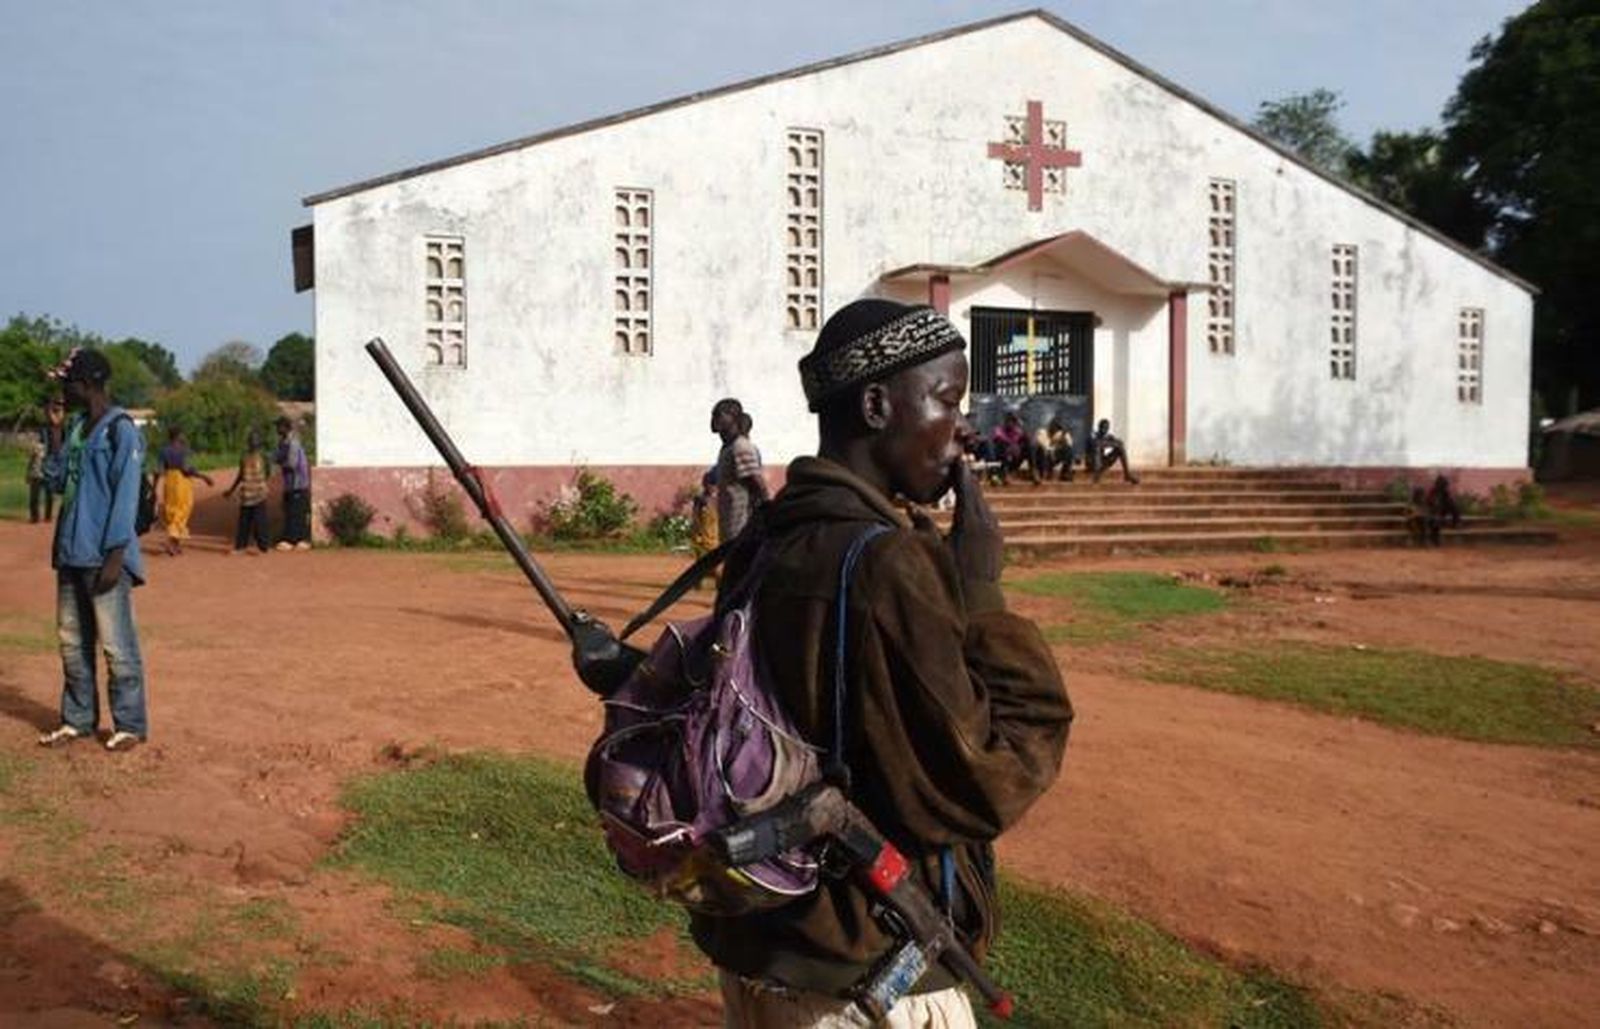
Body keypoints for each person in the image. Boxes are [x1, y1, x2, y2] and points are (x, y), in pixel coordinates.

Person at [700, 298, 1073, 1027]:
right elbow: (988, 778)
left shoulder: (766, 538)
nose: (961, 426)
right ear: (877, 404)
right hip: (868, 976)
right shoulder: (887, 563)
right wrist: (983, 593)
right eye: (945, 398)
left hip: (761, 952)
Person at [36, 348, 150, 753]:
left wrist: (116, 555)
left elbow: (126, 495)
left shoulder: (122, 430)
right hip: (70, 554)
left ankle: (130, 725)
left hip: (105, 557)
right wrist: (53, 433)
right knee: (71, 641)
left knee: (117, 645)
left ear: (87, 384)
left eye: (67, 383)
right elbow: (53, 482)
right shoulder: (77, 428)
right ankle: (77, 719)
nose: (63, 392)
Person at [710, 398, 768, 544]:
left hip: (742, 526)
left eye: (719, 415)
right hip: (730, 524)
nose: (715, 419)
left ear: (733, 417)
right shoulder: (727, 449)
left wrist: (767, 512)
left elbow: (757, 484)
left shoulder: (740, 447)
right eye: (714, 415)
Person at [156, 427, 214, 555]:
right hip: (182, 482)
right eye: (183, 435)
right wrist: (204, 477)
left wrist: (154, 487)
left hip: (169, 482)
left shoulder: (163, 451)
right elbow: (186, 469)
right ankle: (171, 541)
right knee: (182, 509)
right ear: (179, 436)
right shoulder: (184, 451)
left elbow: (159, 470)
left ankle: (175, 545)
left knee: (171, 509)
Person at [222, 429, 272, 555]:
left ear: (259, 442)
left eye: (254, 439)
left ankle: (263, 547)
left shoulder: (264, 456)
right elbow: (240, 475)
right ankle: (240, 547)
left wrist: (262, 485)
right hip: (246, 493)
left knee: (260, 521)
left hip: (259, 493)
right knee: (244, 522)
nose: (252, 442)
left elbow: (268, 473)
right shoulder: (244, 456)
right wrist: (231, 490)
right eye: (250, 440)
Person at [273, 415, 312, 550]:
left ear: (285, 427)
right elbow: (276, 457)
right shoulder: (283, 442)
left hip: (298, 483)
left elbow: (291, 463)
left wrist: (279, 463)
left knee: (297, 511)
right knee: (289, 510)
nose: (277, 430)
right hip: (290, 483)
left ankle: (299, 539)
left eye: (278, 427)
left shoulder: (293, 443)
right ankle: (291, 537)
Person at [27, 398, 65, 523]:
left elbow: (58, 418)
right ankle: (35, 517)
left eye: (59, 409)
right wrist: (49, 407)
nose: (56, 411)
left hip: (54, 460)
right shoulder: (44, 427)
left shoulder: (62, 427)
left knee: (50, 491)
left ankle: (48, 516)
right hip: (42, 458)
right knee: (35, 488)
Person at [1088, 418, 1140, 484]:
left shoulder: (1108, 437)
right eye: (1103, 427)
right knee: (1097, 448)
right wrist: (1113, 443)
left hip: (1103, 462)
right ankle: (1096, 475)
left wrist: (1115, 443)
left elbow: (1119, 443)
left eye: (1106, 428)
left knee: (1120, 449)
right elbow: (1098, 444)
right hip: (1092, 464)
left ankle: (1127, 474)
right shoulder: (1094, 436)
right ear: (1099, 427)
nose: (1104, 429)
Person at [986, 411, 1032, 485]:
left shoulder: (1017, 430)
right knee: (1002, 446)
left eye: (1013, 421)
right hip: (1001, 457)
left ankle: (1033, 470)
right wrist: (1011, 445)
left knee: (1029, 444)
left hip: (1014, 457)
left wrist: (1022, 427)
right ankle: (1004, 474)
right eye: (1009, 421)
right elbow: (998, 437)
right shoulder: (999, 429)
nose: (1010, 423)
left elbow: (1026, 437)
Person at [1032, 417, 1075, 482]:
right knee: (1043, 451)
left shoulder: (1061, 435)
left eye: (1057, 428)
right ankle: (1043, 473)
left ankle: (1065, 473)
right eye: (1053, 427)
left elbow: (1070, 445)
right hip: (1043, 459)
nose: (1055, 430)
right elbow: (1045, 447)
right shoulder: (1042, 432)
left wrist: (1064, 437)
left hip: (1053, 458)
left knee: (1068, 449)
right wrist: (1053, 442)